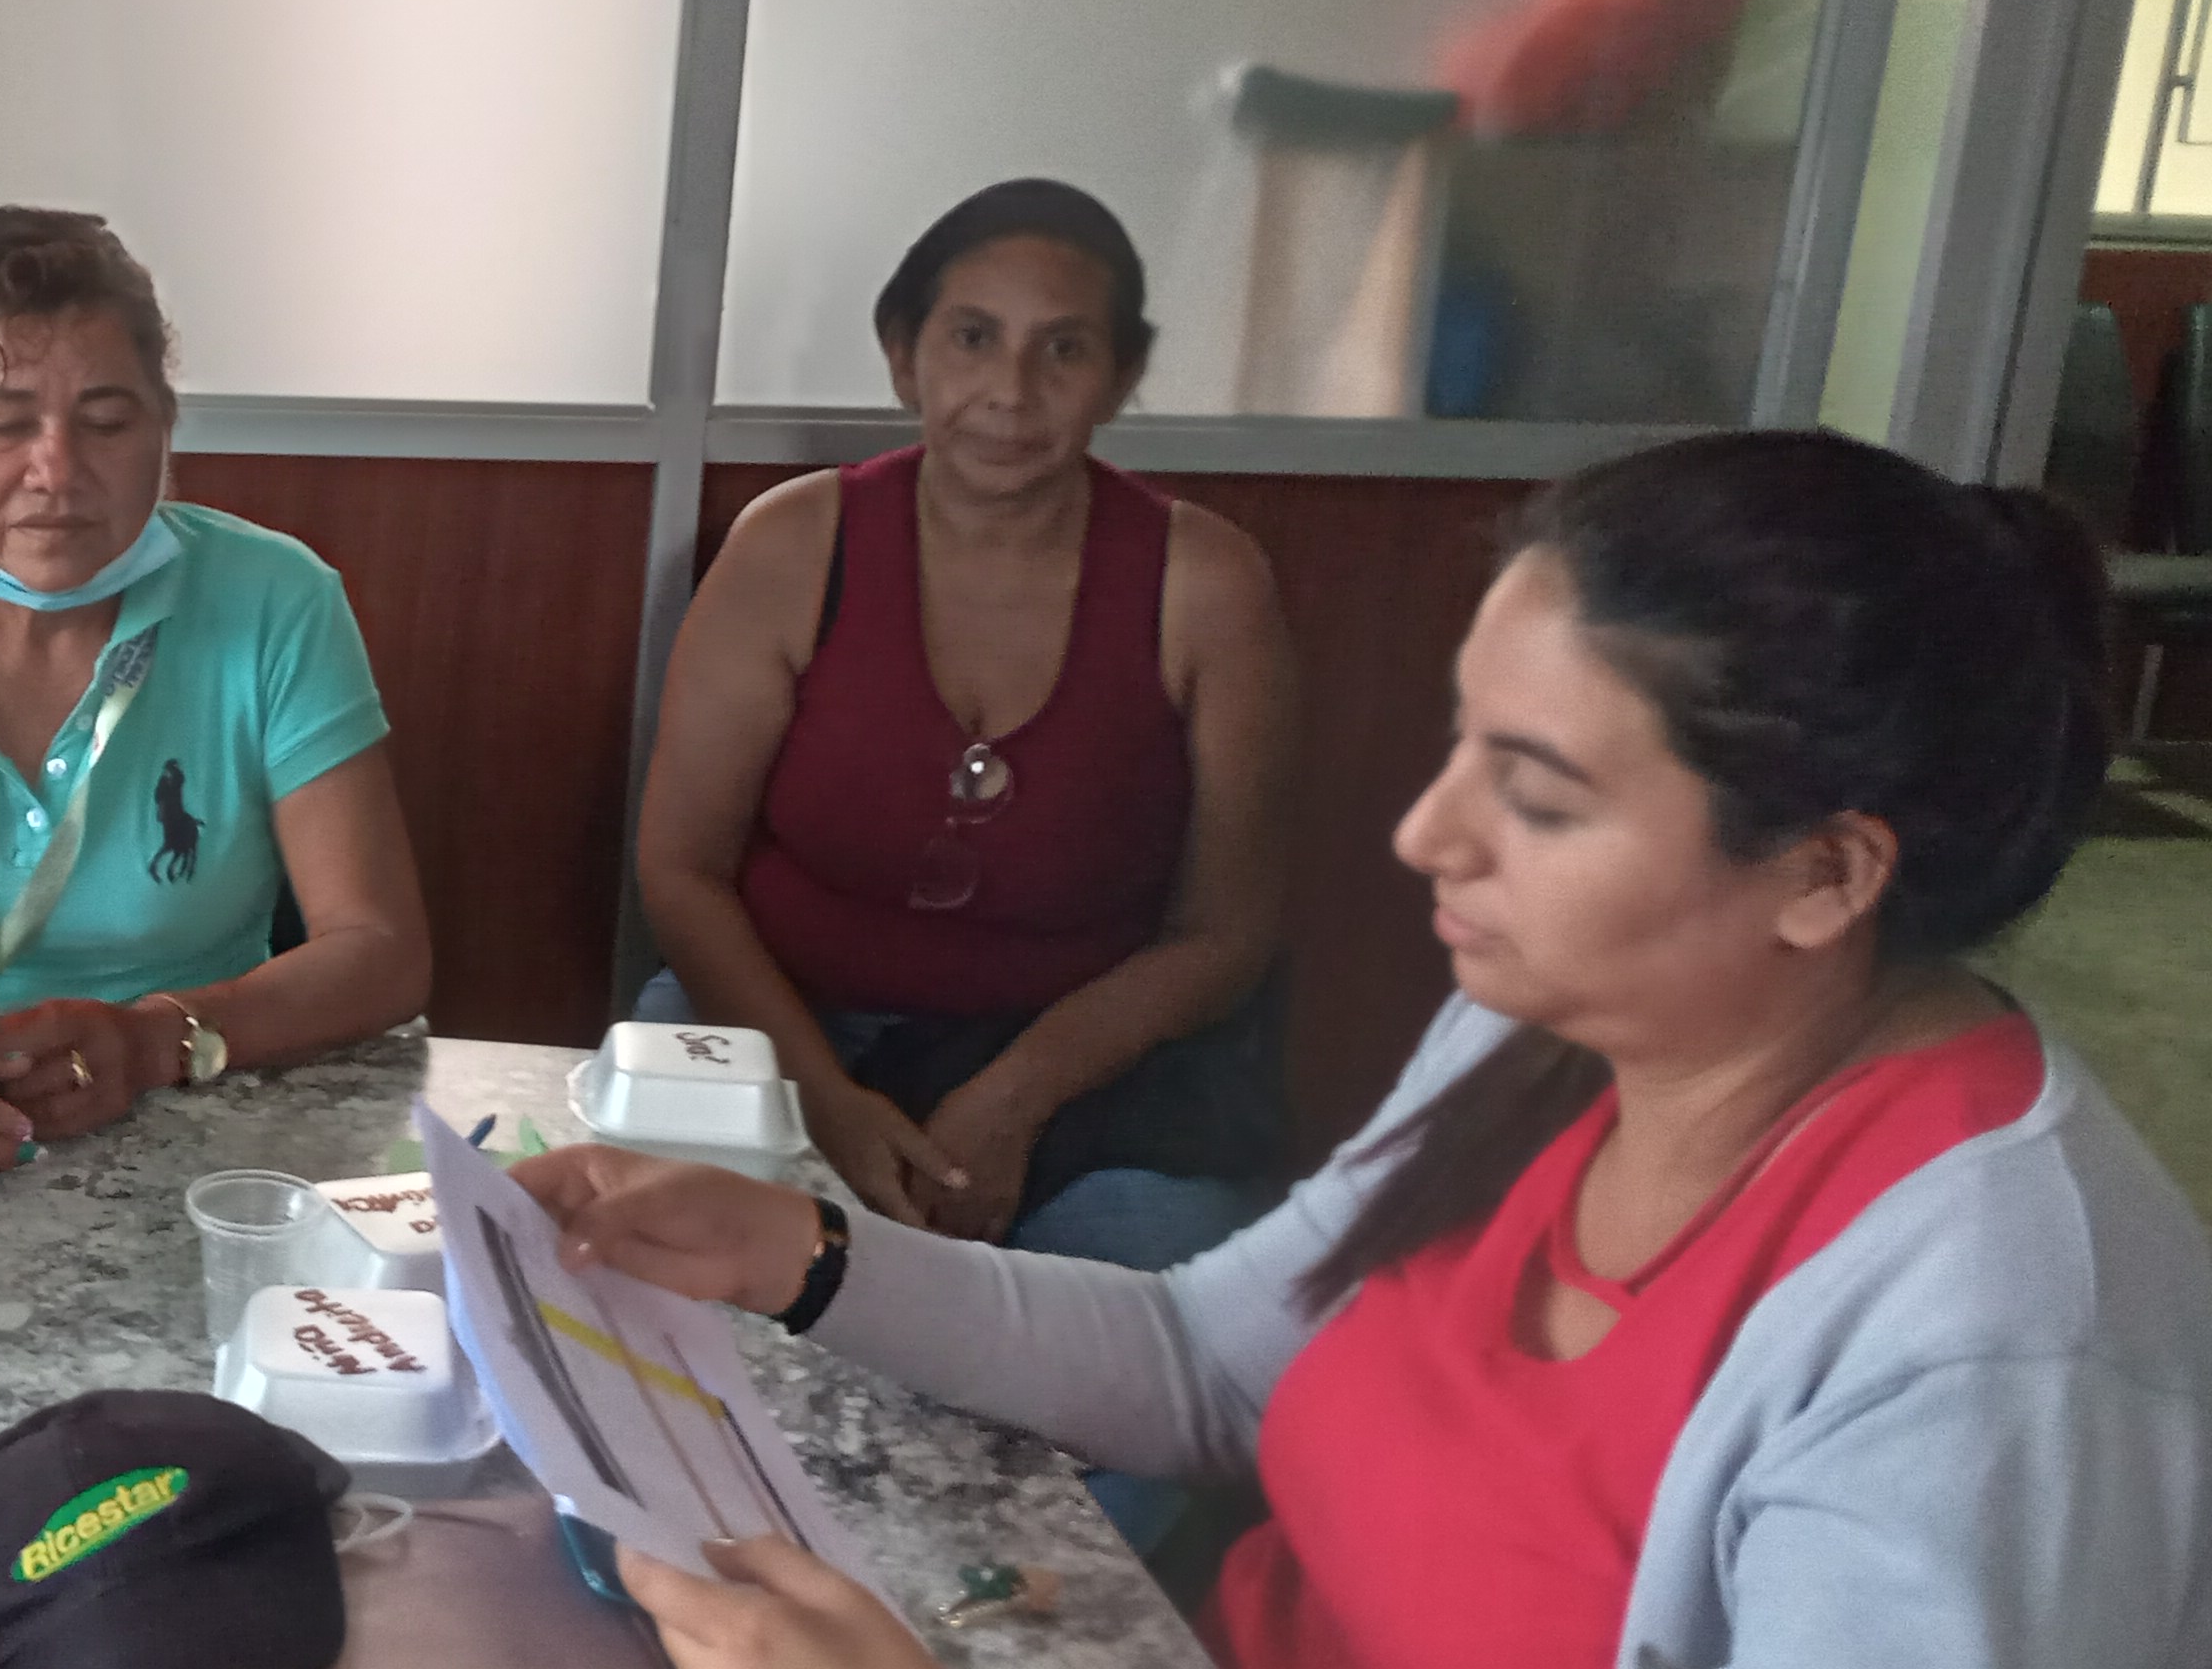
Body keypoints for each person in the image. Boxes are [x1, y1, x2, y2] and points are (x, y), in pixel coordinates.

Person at [527, 429, 2212, 1669]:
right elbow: (1215, 1362)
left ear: (1826, 875)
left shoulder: (1994, 1350)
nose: (1427, 834)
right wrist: (806, 1253)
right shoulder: (1547, 1037)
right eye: (1463, 744)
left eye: (1537, 796)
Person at [635, 177, 1297, 1280]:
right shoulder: (791, 546)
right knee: (662, 1276)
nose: (1009, 392)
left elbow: (1224, 931)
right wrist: (823, 1103)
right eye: (972, 338)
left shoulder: (1208, 584)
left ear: (1121, 374)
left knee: (1146, 1319)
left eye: (1063, 349)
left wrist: (1016, 1094)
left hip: (1089, 1069)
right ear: (904, 355)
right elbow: (680, 868)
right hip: (784, 1023)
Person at [0, 206, 431, 1178]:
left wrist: (154, 1039)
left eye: (105, 423)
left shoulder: (278, 599)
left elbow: (381, 948)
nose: (55, 471)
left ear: (164, 431)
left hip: (192, 1112)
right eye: (2, 425)